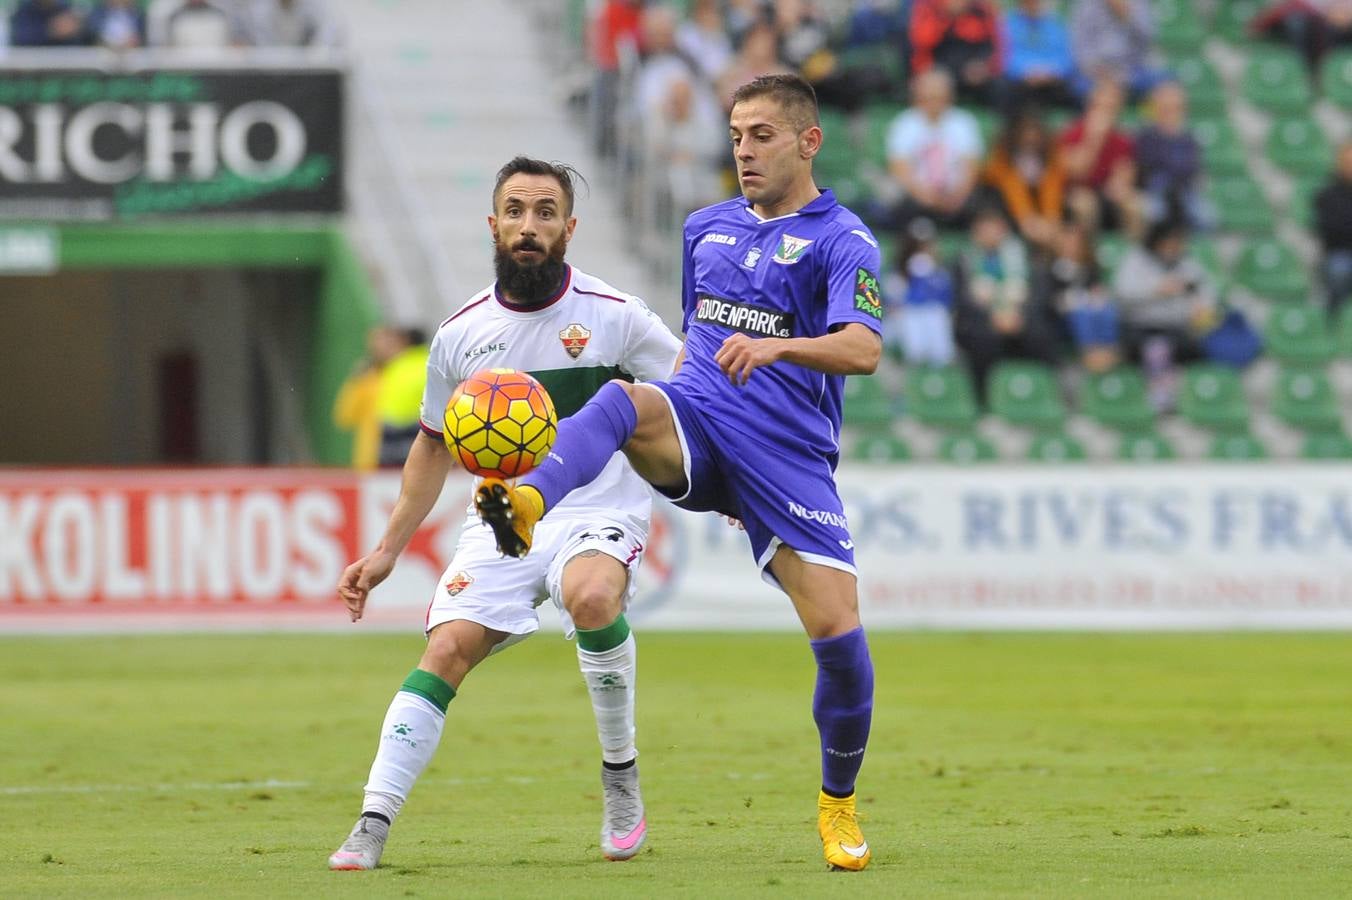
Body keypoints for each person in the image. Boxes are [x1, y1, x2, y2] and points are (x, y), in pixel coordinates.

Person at [472, 75, 881, 872]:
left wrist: (779, 347)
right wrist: (705, 447)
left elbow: (862, 349)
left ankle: (838, 805)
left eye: (762, 134)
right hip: (699, 417)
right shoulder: (705, 229)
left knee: (838, 634)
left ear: (809, 141)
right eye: (735, 134)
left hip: (787, 454)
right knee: (627, 401)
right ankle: (525, 503)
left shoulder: (844, 241)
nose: (744, 150)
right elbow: (696, 345)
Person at [328, 157, 683, 871]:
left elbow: (694, 401)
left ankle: (621, 777)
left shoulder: (616, 318)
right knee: (446, 650)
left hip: (597, 506)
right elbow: (431, 452)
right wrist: (389, 549)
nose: (530, 226)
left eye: (545, 212)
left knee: (589, 596)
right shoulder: (460, 337)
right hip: (499, 518)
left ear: (569, 229)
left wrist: (728, 486)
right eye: (516, 210)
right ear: (493, 224)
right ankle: (372, 819)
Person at [1112, 219, 1219, 409]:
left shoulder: (1187, 264)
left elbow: (1206, 291)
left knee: (1201, 344)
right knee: (1155, 348)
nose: (1175, 247)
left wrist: (1202, 306)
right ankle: (1160, 394)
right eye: (1170, 242)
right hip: (1141, 327)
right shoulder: (1136, 260)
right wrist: (1157, 290)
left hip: (1177, 328)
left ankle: (1182, 393)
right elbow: (1123, 294)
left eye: (1178, 242)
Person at [954, 205, 1060, 393]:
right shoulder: (965, 259)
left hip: (1019, 318)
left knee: (1041, 334)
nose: (990, 234)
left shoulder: (1023, 255)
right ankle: (984, 397)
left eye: (994, 228)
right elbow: (962, 299)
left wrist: (1020, 315)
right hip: (983, 320)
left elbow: (1039, 294)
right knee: (981, 339)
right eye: (984, 229)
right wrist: (991, 315)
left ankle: (1047, 393)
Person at [885, 68, 984, 229]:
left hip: (957, 198)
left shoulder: (964, 122)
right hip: (916, 197)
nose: (934, 103)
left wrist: (957, 196)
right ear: (917, 98)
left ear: (950, 98)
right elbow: (900, 169)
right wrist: (927, 197)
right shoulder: (904, 124)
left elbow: (971, 167)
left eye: (939, 98)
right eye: (928, 98)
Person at [1060, 79, 1143, 237]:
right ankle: (1086, 253)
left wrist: (1119, 185)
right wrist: (1094, 140)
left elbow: (1125, 173)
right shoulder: (1073, 133)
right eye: (1102, 107)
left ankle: (1134, 254)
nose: (1106, 113)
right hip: (1076, 191)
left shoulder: (1122, 139)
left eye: (1112, 108)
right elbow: (1076, 173)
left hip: (1105, 193)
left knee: (1135, 205)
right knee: (1085, 204)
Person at [1038, 222, 1120, 372]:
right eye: (1066, 243)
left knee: (1107, 309)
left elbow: (1096, 292)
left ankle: (1108, 350)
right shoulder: (1050, 271)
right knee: (1082, 312)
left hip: (1092, 313)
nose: (1071, 247)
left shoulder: (1090, 269)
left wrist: (1092, 298)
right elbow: (1049, 303)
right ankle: (1090, 353)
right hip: (1063, 321)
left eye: (1075, 243)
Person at [982, 109, 1067, 249]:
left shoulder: (1050, 156)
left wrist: (1051, 220)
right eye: (1025, 131)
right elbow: (1010, 188)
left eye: (1034, 131)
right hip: (1010, 212)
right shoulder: (1002, 158)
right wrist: (1028, 220)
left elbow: (1053, 188)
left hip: (1043, 216)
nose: (1030, 137)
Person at [1134, 80, 1212, 230]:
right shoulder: (1146, 135)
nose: (1172, 112)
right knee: (1155, 215)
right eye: (1166, 107)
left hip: (1185, 192)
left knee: (1206, 219)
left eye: (1176, 107)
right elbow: (1149, 164)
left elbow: (1191, 168)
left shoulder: (1188, 137)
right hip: (1155, 191)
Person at [883, 216, 958, 366]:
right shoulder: (897, 273)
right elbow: (891, 304)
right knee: (911, 319)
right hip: (901, 321)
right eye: (917, 246)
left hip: (932, 317)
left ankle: (937, 370)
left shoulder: (940, 273)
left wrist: (930, 277)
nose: (922, 250)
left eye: (925, 245)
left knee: (936, 316)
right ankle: (912, 369)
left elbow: (947, 302)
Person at [333, 326, 405, 471]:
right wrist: (356, 381)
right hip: (370, 460)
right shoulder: (365, 378)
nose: (382, 348)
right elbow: (344, 417)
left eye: (389, 343)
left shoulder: (408, 375)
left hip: (402, 456)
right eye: (377, 342)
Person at [908, 0, 1005, 105]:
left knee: (1002, 86)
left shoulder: (983, 9)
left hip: (974, 71)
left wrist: (985, 67)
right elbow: (922, 42)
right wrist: (946, 16)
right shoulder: (928, 6)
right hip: (938, 69)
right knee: (933, 86)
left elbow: (997, 47)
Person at [1069, 0, 1165, 99]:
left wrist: (1127, 15)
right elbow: (1079, 46)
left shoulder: (1139, 3)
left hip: (1133, 70)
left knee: (1167, 90)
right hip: (1095, 70)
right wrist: (1096, 69)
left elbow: (1147, 41)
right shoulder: (1087, 4)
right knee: (1103, 93)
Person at [1000, 0, 1081, 112]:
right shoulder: (1008, 25)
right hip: (1020, 82)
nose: (1033, 5)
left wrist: (1052, 72)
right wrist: (1025, 72)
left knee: (1078, 91)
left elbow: (1067, 58)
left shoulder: (1056, 25)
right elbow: (1004, 56)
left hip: (1053, 81)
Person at [1314, 139, 1352, 320]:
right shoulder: (1328, 194)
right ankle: (1332, 324)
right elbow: (1331, 229)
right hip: (1340, 254)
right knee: (1340, 270)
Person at [9, 0, 84, 47]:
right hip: (33, 68)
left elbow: (82, 41)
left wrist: (80, 27)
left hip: (66, 66)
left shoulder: (65, 10)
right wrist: (52, 31)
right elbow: (20, 39)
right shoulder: (24, 11)